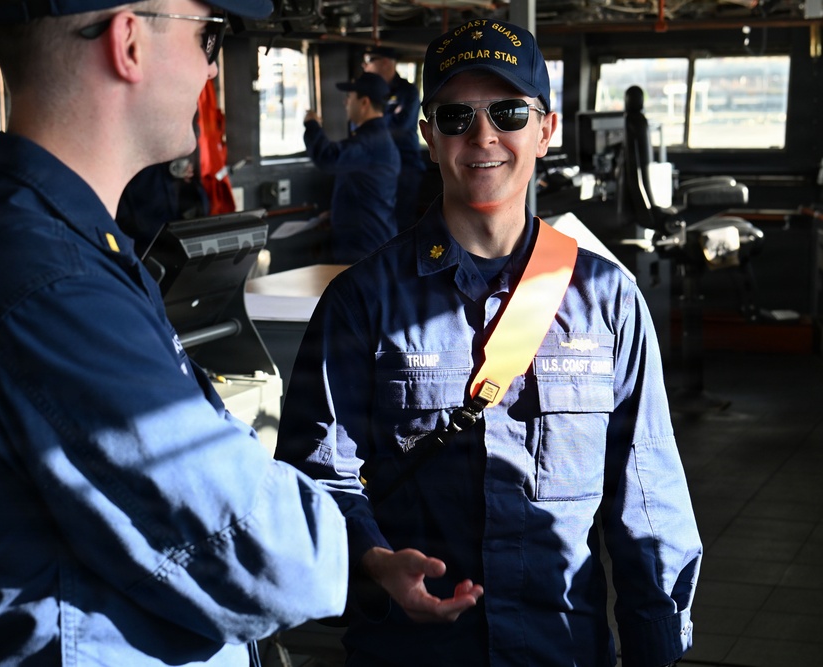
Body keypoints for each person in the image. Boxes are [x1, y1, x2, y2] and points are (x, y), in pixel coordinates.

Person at [0, 1, 348, 665]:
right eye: (209, 36)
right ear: (130, 42)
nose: (208, 67)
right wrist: (356, 544)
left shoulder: (66, 250)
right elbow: (271, 555)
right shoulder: (49, 285)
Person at [276, 18, 701, 667]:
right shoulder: (362, 302)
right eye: (456, 116)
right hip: (412, 652)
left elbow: (648, 509)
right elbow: (315, 472)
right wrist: (373, 558)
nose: (482, 137)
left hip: (561, 652)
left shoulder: (606, 302)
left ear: (545, 130)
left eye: (507, 112)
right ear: (428, 135)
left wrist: (658, 651)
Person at [304, 71, 400, 263]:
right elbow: (365, 189)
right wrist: (337, 213)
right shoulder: (374, 138)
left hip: (365, 245)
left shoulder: (370, 141)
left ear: (364, 103)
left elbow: (328, 158)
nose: (345, 102)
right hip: (363, 238)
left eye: (349, 97)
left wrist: (312, 125)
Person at [362, 45, 426, 233]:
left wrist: (376, 121)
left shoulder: (408, 92)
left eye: (368, 61)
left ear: (384, 63)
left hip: (406, 166)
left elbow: (402, 126)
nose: (364, 66)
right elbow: (361, 127)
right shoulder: (371, 93)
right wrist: (387, 118)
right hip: (377, 167)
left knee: (402, 221)